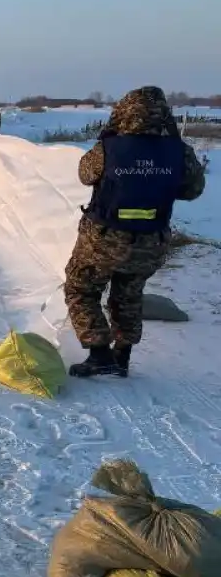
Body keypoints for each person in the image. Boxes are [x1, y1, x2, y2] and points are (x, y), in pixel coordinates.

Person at [64, 86, 207, 378]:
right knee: (129, 295)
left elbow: (84, 174)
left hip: (103, 239)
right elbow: (192, 191)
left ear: (123, 113)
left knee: (80, 288)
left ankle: (99, 352)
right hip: (150, 241)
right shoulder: (180, 152)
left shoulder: (109, 147)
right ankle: (122, 356)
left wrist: (108, 140)